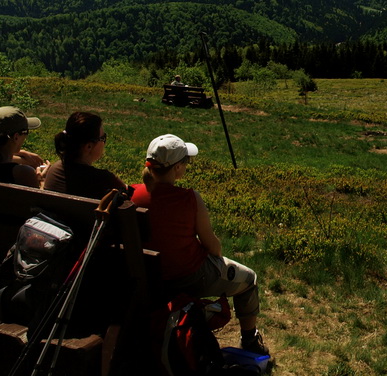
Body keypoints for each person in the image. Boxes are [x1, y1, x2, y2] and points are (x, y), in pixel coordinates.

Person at [132, 134, 270, 357]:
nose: (186, 166)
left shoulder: (133, 193)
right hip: (188, 276)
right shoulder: (189, 198)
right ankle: (250, 340)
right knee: (249, 279)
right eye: (186, 162)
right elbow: (212, 246)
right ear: (177, 168)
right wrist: (216, 254)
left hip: (149, 275)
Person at [42, 112, 127, 199]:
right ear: (88, 146)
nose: (104, 142)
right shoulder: (105, 180)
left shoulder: (54, 171)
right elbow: (131, 198)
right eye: (103, 138)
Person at [0, 106, 45, 187]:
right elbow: (40, 199)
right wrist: (41, 180)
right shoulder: (23, 173)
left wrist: (22, 153)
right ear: (16, 137)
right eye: (26, 132)